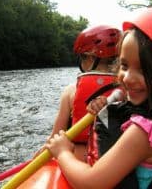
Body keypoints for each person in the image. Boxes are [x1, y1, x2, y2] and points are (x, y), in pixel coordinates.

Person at [45, 5, 152, 188]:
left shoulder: (142, 133)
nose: (127, 78)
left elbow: (90, 183)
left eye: (143, 70)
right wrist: (106, 112)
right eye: (124, 66)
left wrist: (63, 152)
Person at [34, 25, 122, 161]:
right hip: (116, 161)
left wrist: (45, 150)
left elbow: (55, 137)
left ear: (90, 58)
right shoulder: (129, 88)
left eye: (82, 57)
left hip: (78, 162)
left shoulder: (70, 91)